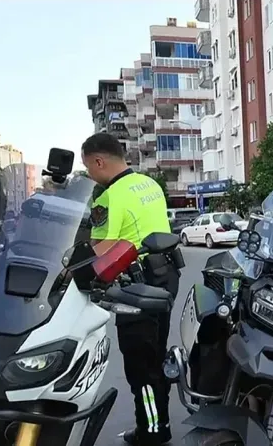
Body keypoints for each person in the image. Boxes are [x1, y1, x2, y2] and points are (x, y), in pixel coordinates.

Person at [81, 133, 177, 445]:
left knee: (140, 365)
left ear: (99, 161)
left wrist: (67, 263)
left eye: (88, 167)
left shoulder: (108, 197)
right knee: (155, 356)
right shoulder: (149, 184)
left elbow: (101, 250)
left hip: (137, 286)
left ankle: (152, 431)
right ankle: (159, 422)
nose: (89, 174)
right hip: (166, 276)